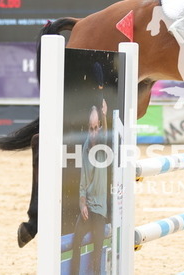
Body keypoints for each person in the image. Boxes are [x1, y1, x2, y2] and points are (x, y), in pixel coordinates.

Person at [70, 100, 109, 275]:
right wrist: (82, 204)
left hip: (100, 211)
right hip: (88, 208)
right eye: (90, 128)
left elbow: (106, 133)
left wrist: (105, 116)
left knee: (97, 252)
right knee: (75, 242)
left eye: (95, 128)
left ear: (99, 126)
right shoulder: (85, 147)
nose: (93, 132)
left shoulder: (103, 145)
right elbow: (82, 182)